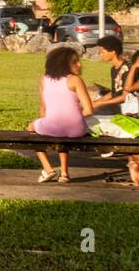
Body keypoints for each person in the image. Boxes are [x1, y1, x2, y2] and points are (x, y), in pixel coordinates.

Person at [27, 46, 94, 183]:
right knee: (63, 134)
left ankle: (48, 169)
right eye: (75, 61)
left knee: (30, 128)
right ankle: (64, 173)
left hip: (52, 126)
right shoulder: (75, 80)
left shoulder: (43, 80)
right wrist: (73, 116)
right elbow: (89, 110)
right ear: (63, 63)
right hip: (77, 130)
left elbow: (43, 108)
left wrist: (45, 122)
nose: (79, 64)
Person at [89, 37, 139, 184]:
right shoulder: (114, 69)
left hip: (123, 108)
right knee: (91, 108)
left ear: (113, 52)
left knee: (93, 119)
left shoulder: (127, 69)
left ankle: (108, 144)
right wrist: (97, 102)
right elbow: (114, 92)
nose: (101, 54)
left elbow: (125, 95)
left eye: (103, 51)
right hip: (119, 106)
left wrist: (98, 105)